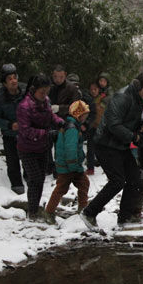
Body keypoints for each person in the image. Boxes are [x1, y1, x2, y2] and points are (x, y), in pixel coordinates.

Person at [80, 71, 143, 228]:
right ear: (140, 86)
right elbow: (113, 123)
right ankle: (89, 213)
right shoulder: (123, 96)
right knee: (117, 181)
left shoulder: (138, 99)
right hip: (106, 144)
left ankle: (124, 217)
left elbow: (131, 119)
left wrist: (142, 126)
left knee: (135, 179)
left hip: (121, 145)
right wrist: (133, 137)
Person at [17, 74, 64, 222]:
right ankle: (32, 212)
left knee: (40, 178)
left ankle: (34, 208)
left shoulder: (46, 101)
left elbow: (51, 116)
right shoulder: (24, 106)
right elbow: (25, 130)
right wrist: (47, 134)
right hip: (27, 149)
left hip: (43, 147)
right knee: (35, 179)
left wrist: (61, 123)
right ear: (34, 90)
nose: (45, 95)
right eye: (42, 92)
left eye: (47, 92)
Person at [44, 100, 91, 223]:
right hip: (68, 166)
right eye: (84, 115)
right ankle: (49, 212)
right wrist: (73, 165)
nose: (86, 117)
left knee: (83, 183)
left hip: (71, 165)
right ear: (78, 114)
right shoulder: (71, 128)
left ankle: (82, 208)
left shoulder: (72, 125)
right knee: (61, 188)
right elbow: (70, 148)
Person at [0, 63, 26, 194]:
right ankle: (16, 184)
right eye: (9, 79)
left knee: (28, 156)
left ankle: (29, 177)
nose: (13, 81)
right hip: (9, 134)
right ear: (4, 83)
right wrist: (10, 125)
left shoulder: (24, 91)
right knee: (12, 160)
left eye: (14, 77)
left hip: (25, 132)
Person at [48, 65, 81, 177]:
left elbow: (76, 107)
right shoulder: (50, 87)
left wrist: (60, 108)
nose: (58, 79)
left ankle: (59, 170)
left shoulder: (71, 88)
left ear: (65, 75)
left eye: (61, 77)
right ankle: (49, 167)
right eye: (56, 77)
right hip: (49, 119)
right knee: (47, 143)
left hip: (65, 120)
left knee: (60, 146)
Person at [83, 82, 107, 175]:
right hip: (91, 127)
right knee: (90, 148)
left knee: (103, 148)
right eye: (91, 89)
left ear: (99, 90)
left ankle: (106, 167)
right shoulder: (87, 100)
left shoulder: (103, 99)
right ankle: (90, 168)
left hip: (101, 127)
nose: (93, 91)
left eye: (95, 89)